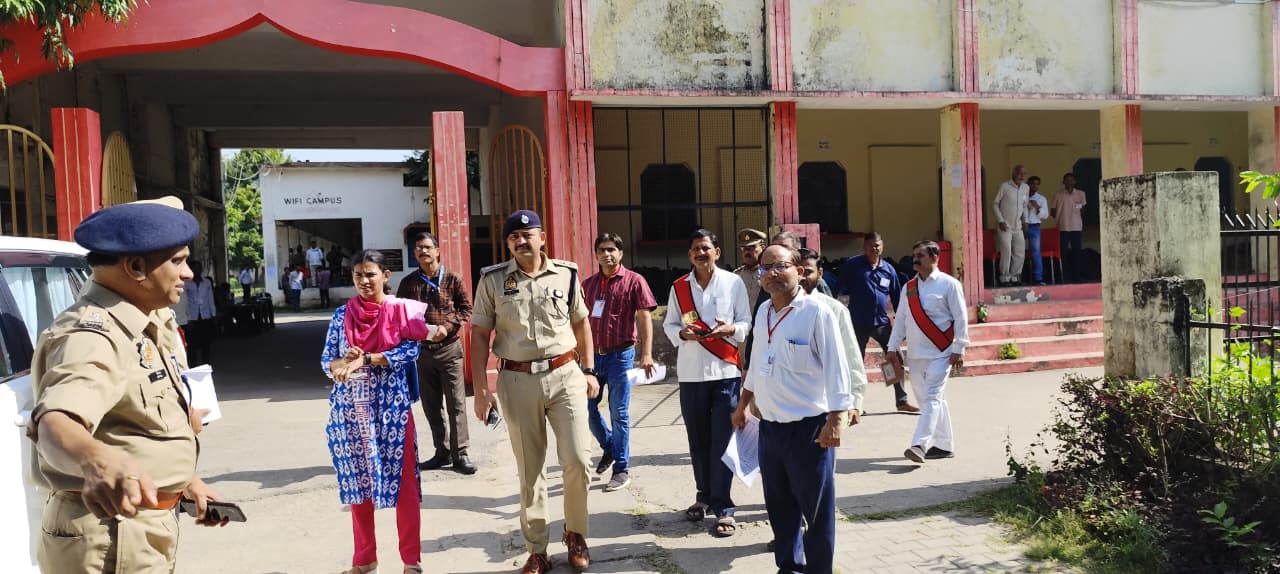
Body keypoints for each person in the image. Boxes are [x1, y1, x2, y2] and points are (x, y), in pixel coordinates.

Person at [27, 196, 227, 573]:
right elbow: (56, 423)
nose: (188, 273)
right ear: (136, 267)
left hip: (137, 530)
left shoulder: (142, 323)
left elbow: (136, 427)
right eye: (178, 261)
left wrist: (186, 481)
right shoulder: (93, 336)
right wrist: (98, 461)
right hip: (110, 537)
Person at [470, 210, 599, 574]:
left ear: (542, 238)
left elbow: (581, 323)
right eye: (514, 237)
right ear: (508, 244)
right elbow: (479, 335)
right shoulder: (493, 281)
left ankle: (576, 534)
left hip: (565, 374)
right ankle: (537, 550)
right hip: (516, 379)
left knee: (578, 459)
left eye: (528, 235)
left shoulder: (566, 275)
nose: (521, 241)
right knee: (531, 469)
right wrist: (481, 390)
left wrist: (589, 371)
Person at [322, 249, 444, 574]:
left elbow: (409, 351)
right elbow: (326, 361)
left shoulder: (401, 310)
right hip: (351, 412)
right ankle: (365, 560)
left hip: (393, 411)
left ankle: (411, 561)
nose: (364, 281)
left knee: (404, 485)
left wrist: (368, 358)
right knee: (359, 486)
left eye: (370, 274)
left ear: (385, 276)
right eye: (358, 275)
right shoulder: (341, 316)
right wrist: (343, 362)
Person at [734, 244, 853, 574]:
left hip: (809, 430)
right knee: (780, 507)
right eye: (765, 268)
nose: (771, 273)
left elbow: (837, 367)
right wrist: (743, 405)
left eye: (780, 266)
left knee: (816, 511)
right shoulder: (763, 312)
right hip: (770, 429)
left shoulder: (817, 313)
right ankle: (789, 567)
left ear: (799, 271)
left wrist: (836, 419)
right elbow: (757, 363)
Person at [663, 228, 751, 538]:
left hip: (725, 373)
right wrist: (681, 333)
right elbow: (670, 323)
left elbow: (746, 322)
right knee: (698, 440)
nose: (701, 253)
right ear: (690, 255)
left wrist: (730, 330)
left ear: (717, 252)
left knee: (723, 441)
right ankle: (703, 496)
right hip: (691, 375)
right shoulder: (679, 287)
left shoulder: (733, 283)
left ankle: (724, 506)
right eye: (696, 249)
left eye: (706, 248)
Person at [395, 231, 476, 475]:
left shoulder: (453, 278)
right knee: (431, 405)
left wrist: (447, 327)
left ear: (437, 251)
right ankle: (442, 452)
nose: (423, 251)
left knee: (456, 404)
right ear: (414, 253)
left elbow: (466, 309)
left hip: (449, 350)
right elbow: (399, 314)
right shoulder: (408, 283)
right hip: (422, 352)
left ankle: (460, 454)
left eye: (427, 247)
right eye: (419, 248)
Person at [582, 233, 658, 492]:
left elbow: (645, 318)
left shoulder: (634, 281)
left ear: (621, 253)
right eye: (602, 250)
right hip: (592, 358)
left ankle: (621, 468)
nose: (607, 254)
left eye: (612, 249)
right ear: (596, 254)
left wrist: (646, 354)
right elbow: (579, 322)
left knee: (619, 413)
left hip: (620, 356)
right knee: (587, 409)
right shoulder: (588, 285)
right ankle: (610, 447)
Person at [886, 241, 969, 464]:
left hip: (942, 352)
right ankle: (944, 444)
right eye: (914, 255)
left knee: (932, 397)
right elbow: (901, 319)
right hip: (915, 353)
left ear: (935, 258)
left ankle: (919, 445)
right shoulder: (909, 287)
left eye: (921, 255)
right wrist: (892, 347)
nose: (915, 259)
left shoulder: (949, 284)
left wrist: (959, 347)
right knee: (928, 399)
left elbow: (961, 317)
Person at [836, 233, 918, 413]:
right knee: (855, 363)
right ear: (864, 247)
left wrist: (902, 324)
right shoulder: (853, 265)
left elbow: (897, 298)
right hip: (857, 323)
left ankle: (901, 401)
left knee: (895, 359)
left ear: (882, 246)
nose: (874, 249)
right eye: (871, 246)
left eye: (877, 245)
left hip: (882, 323)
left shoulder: (889, 269)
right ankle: (854, 405)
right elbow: (838, 288)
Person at [993, 165, 1029, 286]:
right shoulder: (1004, 186)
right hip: (1005, 225)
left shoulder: (1026, 188)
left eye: (1024, 174)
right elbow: (995, 204)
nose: (1022, 176)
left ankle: (1015, 277)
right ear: (1014, 173)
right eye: (1019, 173)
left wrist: (1025, 221)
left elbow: (1025, 206)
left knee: (1020, 251)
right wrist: (1000, 220)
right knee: (1007, 251)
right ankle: (1004, 277)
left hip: (1018, 225)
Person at [1051, 172, 1087, 282]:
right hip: (1062, 227)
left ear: (1075, 181)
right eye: (1067, 180)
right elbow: (1052, 211)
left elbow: (1083, 209)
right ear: (1063, 182)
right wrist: (1061, 215)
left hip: (1076, 227)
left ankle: (1077, 276)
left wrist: (1075, 211)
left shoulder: (1081, 194)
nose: (1069, 182)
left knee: (1077, 252)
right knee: (1063, 252)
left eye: (1071, 180)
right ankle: (1064, 276)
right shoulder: (1058, 195)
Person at [184, 260, 217, 366]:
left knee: (206, 342)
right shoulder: (186, 283)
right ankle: (193, 365)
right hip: (192, 317)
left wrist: (213, 314)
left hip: (205, 315)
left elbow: (210, 298)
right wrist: (188, 317)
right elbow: (185, 301)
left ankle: (205, 363)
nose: (197, 270)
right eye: (194, 268)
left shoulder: (207, 282)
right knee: (192, 343)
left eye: (199, 268)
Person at [1025, 176, 1050, 286]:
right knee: (1018, 252)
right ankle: (1017, 277)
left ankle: (1038, 278)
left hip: (1034, 227)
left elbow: (1045, 216)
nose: (1034, 186)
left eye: (1036, 184)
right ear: (1027, 184)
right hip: (1020, 227)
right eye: (1032, 183)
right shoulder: (1022, 196)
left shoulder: (1041, 198)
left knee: (1035, 252)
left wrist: (1037, 207)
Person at [733, 228, 766, 304]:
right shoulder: (736, 275)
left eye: (751, 248)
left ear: (762, 247)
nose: (746, 252)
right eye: (743, 248)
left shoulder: (768, 273)